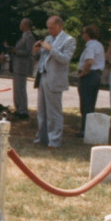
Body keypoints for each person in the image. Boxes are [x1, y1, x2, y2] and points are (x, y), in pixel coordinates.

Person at [33, 15, 76, 148]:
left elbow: (65, 59)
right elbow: (41, 57)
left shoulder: (69, 40)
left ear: (59, 26)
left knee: (54, 112)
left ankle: (55, 140)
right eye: (48, 28)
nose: (49, 30)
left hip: (55, 79)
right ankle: (42, 137)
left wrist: (51, 49)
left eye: (52, 28)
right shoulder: (48, 38)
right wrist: (36, 50)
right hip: (43, 76)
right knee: (41, 111)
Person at [76, 25, 105, 137]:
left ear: (87, 35)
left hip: (89, 75)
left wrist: (83, 73)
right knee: (90, 103)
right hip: (96, 75)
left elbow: (89, 62)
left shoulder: (90, 46)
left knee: (86, 103)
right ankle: (87, 129)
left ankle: (85, 130)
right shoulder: (99, 45)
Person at [4, 18, 35, 119]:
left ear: (26, 25)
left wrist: (15, 51)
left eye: (22, 24)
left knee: (20, 88)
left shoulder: (29, 37)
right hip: (17, 65)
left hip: (22, 66)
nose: (20, 25)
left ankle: (23, 110)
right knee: (17, 89)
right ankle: (18, 109)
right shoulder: (23, 36)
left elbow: (28, 52)